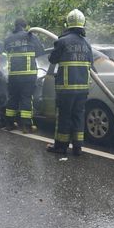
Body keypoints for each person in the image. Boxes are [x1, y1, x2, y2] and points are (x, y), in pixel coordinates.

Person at [46, 9, 94, 156]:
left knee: (64, 117)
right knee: (78, 116)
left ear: (68, 24)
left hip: (66, 88)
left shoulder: (62, 41)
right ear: (83, 24)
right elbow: (91, 64)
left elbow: (52, 59)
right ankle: (78, 147)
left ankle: (61, 146)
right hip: (83, 89)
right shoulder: (87, 44)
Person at [3, 18, 45, 133]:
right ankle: (26, 126)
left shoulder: (8, 39)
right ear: (25, 26)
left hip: (13, 75)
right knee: (26, 98)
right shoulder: (30, 36)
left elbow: (5, 51)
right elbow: (41, 52)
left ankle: (9, 124)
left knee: (12, 98)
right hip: (28, 75)